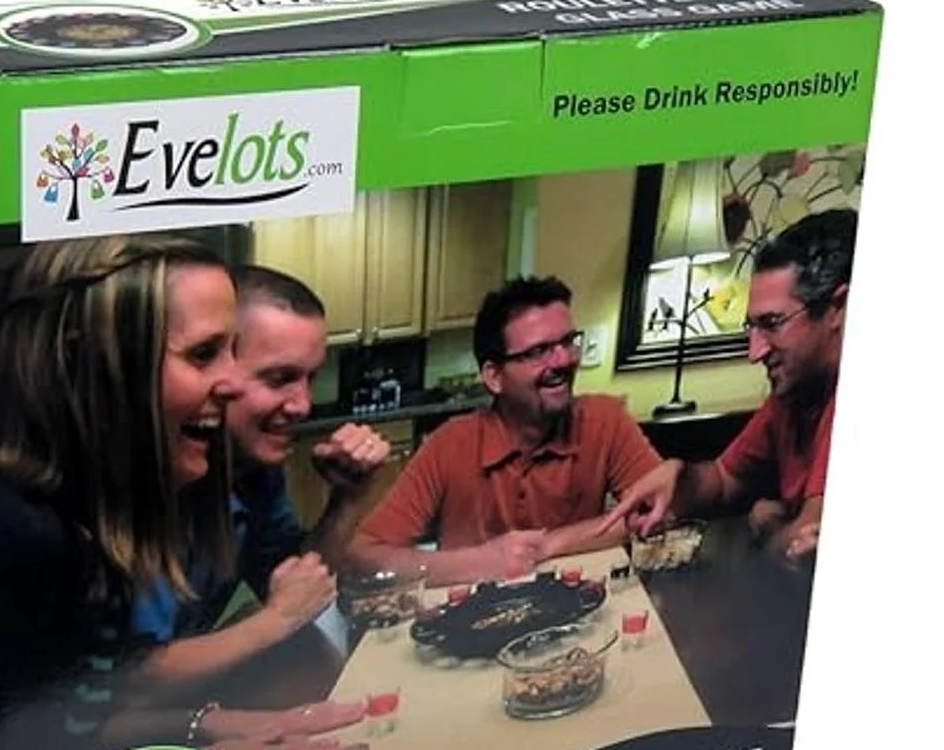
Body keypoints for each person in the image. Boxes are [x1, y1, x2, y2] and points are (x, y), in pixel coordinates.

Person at [0, 233, 362, 750]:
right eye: (205, 354)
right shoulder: (20, 532)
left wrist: (215, 728)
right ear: (91, 364)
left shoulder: (108, 511)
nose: (231, 383)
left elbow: (78, 712)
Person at [346, 276, 665, 585]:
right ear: (494, 377)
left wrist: (548, 545)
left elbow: (663, 511)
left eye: (568, 342)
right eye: (538, 352)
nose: (564, 360)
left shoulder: (605, 420)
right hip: (471, 615)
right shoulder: (450, 445)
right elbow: (364, 556)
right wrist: (478, 563)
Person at [603, 209, 857, 561]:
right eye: (752, 327)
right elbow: (724, 479)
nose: (755, 352)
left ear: (839, 309)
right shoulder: (792, 395)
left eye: (773, 323)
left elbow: (802, 549)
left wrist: (768, 524)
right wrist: (678, 475)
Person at [224, 264, 391, 589]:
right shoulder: (158, 483)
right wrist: (279, 615)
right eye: (279, 378)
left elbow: (294, 588)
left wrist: (347, 498)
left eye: (310, 378)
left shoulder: (257, 473)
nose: (303, 405)